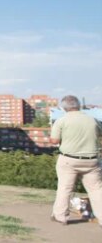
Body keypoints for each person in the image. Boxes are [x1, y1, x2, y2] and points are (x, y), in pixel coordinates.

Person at [50, 95, 102, 228]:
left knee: (65, 188)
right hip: (91, 160)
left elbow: (54, 140)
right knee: (96, 190)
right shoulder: (92, 120)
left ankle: (60, 216)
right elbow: (99, 134)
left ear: (64, 107)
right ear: (78, 105)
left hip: (69, 160)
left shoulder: (61, 121)